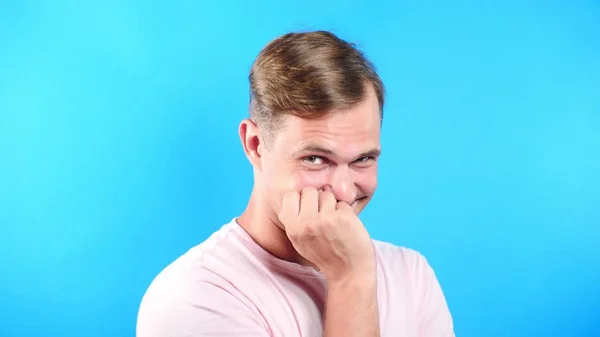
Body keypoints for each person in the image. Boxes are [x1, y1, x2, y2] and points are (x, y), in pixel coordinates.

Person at [136, 30, 455, 337]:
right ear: (255, 144)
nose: (344, 191)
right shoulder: (194, 296)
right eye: (315, 159)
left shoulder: (411, 276)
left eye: (363, 159)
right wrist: (350, 278)